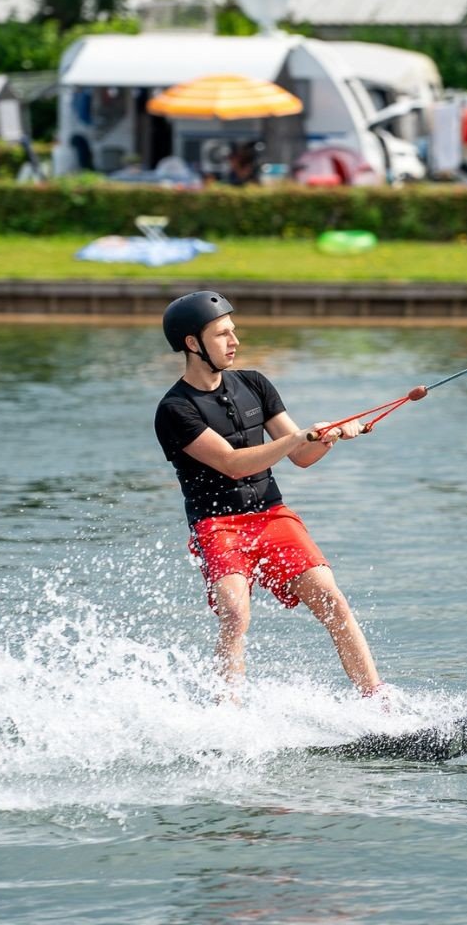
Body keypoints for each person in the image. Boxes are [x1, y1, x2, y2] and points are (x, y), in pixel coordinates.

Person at [154, 291, 387, 702]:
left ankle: (378, 700)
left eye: (234, 331)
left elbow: (301, 456)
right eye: (222, 334)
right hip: (218, 525)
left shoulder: (255, 384)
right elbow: (232, 463)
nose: (234, 341)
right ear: (193, 343)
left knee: (331, 598)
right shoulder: (174, 409)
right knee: (235, 611)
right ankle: (228, 712)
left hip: (271, 516)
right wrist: (299, 436)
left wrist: (331, 437)